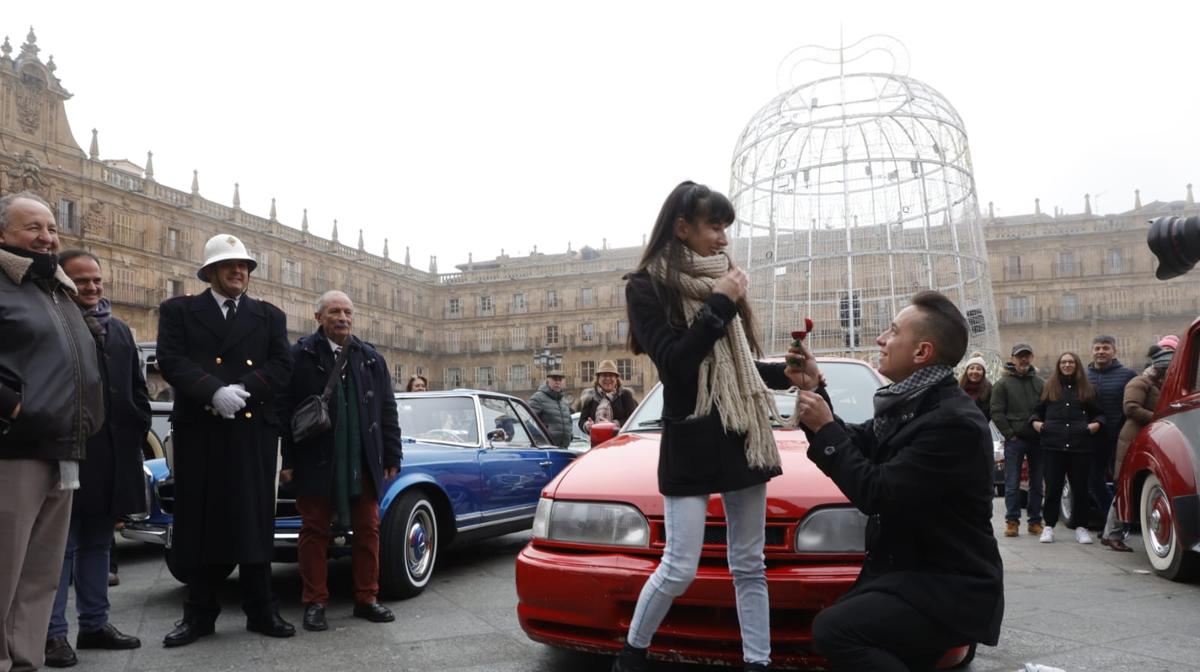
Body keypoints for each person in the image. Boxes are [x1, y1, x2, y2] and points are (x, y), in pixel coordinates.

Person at [612, 181, 813, 672]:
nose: (724, 239)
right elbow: (678, 366)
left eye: (727, 228)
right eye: (714, 227)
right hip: (691, 435)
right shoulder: (646, 285)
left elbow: (737, 365)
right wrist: (720, 303)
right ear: (683, 228)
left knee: (749, 565)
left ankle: (757, 663)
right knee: (678, 566)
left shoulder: (724, 278)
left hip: (743, 433)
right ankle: (632, 656)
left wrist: (782, 373)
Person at [791, 290, 1003, 671]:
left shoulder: (952, 421)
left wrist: (824, 425)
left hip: (948, 587)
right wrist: (814, 390)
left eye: (892, 331)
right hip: (909, 575)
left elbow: (877, 492)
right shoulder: (913, 404)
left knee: (836, 631)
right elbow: (859, 441)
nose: (880, 339)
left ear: (922, 352)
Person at [155, 233, 294, 647]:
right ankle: (199, 614)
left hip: (252, 429)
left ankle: (261, 608)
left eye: (245, 266)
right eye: (231, 265)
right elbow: (171, 360)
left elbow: (282, 364)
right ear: (211, 271)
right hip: (202, 428)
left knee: (254, 519)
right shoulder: (180, 311)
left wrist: (242, 389)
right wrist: (212, 390)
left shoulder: (269, 316)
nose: (240, 272)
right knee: (198, 522)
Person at [0, 192, 103, 672]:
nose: (46, 236)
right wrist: (14, 407)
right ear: (3, 235)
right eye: (32, 227)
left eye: (51, 227)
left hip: (62, 447)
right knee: (4, 568)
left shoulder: (55, 288)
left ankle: (26, 661)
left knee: (40, 573)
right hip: (14, 448)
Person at [45, 251, 150, 667]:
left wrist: (138, 422)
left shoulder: (120, 330)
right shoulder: (54, 323)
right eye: (81, 281)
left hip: (113, 452)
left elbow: (136, 387)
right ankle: (52, 635)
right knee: (61, 548)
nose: (91, 288)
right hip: (69, 450)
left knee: (99, 543)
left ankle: (94, 625)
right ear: (64, 282)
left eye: (96, 281)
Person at [277, 290, 401, 632]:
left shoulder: (371, 357)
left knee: (368, 530)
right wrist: (287, 458)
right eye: (334, 311)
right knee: (314, 531)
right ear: (319, 317)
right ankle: (315, 602)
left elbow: (387, 409)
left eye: (347, 311)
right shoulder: (299, 355)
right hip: (315, 459)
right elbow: (284, 411)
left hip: (363, 459)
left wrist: (392, 453)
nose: (342, 317)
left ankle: (367, 598)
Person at [1101, 346, 1174, 551]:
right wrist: (1160, 418)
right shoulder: (1139, 382)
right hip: (1133, 439)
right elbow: (1131, 408)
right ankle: (1113, 535)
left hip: (1149, 438)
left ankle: (1111, 534)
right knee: (1123, 489)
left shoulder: (1159, 384)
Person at [1031, 352, 1105, 544]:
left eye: (1070, 362)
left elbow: (1099, 414)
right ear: (1059, 365)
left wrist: (1094, 425)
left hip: (1080, 445)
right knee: (1053, 487)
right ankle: (1049, 526)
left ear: (1077, 365)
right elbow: (1036, 412)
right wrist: (1037, 424)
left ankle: (1082, 527)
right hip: (1053, 445)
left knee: (1080, 488)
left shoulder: (1088, 389)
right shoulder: (1049, 387)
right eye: (1063, 362)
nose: (1067, 365)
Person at [990, 343, 1046, 538]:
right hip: (1015, 440)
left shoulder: (1040, 383)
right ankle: (1012, 522)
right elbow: (996, 411)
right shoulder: (1002, 384)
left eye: (1026, 356)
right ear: (1012, 359)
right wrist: (1009, 434)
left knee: (1037, 483)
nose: (1023, 359)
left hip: (1038, 440)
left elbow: (1047, 408)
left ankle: (1035, 521)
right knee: (1012, 483)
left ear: (1031, 358)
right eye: (1019, 356)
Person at [1084, 336, 1137, 518]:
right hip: (1093, 438)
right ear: (1092, 351)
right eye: (1097, 348)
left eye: (1106, 348)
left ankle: (1122, 522)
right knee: (1093, 481)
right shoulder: (1083, 376)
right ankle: (1111, 520)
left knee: (1120, 481)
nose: (1101, 352)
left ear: (1115, 351)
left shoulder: (1128, 375)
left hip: (1119, 437)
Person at [578, 359, 638, 432]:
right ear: (598, 378)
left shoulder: (625, 395)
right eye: (604, 375)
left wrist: (612, 425)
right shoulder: (590, 396)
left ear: (616, 379)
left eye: (611, 375)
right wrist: (588, 425)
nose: (607, 378)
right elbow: (582, 421)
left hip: (620, 440)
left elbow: (633, 419)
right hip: (597, 440)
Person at [528, 371, 572, 449]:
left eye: (560, 380)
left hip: (564, 447)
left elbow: (569, 421)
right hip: (545, 448)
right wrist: (542, 436)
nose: (558, 382)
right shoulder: (538, 398)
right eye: (555, 379)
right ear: (548, 380)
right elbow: (528, 420)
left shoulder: (564, 401)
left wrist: (570, 436)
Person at [959, 352, 992, 420]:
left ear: (983, 372)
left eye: (979, 369)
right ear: (967, 371)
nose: (975, 371)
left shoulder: (989, 390)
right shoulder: (957, 387)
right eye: (971, 368)